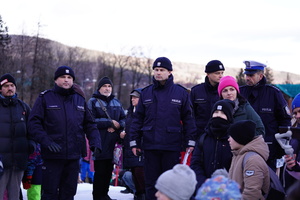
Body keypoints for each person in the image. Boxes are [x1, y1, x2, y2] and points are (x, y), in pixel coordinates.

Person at [28, 66, 102, 200]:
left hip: (73, 157)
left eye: (69, 78)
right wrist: (46, 141)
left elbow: (90, 124)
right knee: (50, 194)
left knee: (68, 193)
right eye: (62, 77)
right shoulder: (45, 98)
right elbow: (33, 123)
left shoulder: (79, 100)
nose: (66, 80)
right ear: (56, 80)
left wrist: (95, 142)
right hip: (52, 156)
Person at [129, 57, 197, 200]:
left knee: (170, 184)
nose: (158, 73)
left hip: (171, 146)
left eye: (162, 70)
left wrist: (190, 141)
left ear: (169, 72)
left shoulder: (181, 93)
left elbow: (188, 119)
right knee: (150, 183)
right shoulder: (146, 93)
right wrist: (134, 141)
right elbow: (137, 119)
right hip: (150, 145)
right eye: (156, 70)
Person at [239, 60, 291, 170]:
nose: (247, 78)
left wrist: (281, 147)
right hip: (243, 148)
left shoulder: (273, 94)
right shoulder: (240, 93)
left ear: (261, 76)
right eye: (246, 75)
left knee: (267, 183)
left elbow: (285, 121)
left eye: (251, 75)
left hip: (267, 149)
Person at [87, 76, 126, 200]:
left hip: (113, 143)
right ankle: (98, 196)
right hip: (100, 141)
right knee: (100, 171)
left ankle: (105, 194)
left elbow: (124, 119)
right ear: (99, 89)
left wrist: (118, 125)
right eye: (104, 86)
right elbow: (90, 120)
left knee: (109, 170)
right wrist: (109, 123)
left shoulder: (117, 102)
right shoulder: (92, 102)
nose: (107, 88)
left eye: (109, 86)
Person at [0, 73, 35, 199]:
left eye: (12, 85)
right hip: (1, 162)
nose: (10, 88)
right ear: (0, 89)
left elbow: (32, 129)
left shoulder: (23, 107)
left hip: (19, 160)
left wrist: (32, 144)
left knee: (14, 194)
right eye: (6, 86)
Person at [190, 99, 235, 191]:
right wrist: (204, 182)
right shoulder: (203, 138)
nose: (218, 115)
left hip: (227, 189)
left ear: (229, 117)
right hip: (205, 189)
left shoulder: (234, 139)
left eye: (223, 113)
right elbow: (195, 164)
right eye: (216, 112)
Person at [228, 120, 270, 199]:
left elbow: (252, 193)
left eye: (231, 136)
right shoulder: (238, 154)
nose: (228, 139)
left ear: (239, 137)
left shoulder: (253, 160)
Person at [190, 60, 225, 138]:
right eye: (217, 73)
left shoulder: (225, 91)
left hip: (220, 135)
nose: (220, 76)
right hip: (199, 135)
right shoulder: (196, 91)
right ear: (208, 74)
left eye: (222, 73)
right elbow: (190, 116)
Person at [121, 89, 145, 200]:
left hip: (139, 148)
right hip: (129, 148)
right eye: (132, 97)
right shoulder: (130, 112)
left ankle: (142, 194)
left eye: (135, 97)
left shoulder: (144, 113)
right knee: (133, 173)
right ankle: (138, 194)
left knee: (139, 173)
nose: (132, 99)